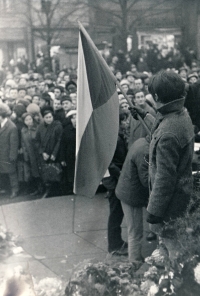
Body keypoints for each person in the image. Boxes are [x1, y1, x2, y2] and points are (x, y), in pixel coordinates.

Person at [144, 70, 194, 234]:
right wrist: (145, 115)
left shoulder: (168, 134)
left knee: (171, 252)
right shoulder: (181, 114)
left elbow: (165, 177)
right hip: (181, 198)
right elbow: (165, 122)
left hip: (169, 208)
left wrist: (154, 211)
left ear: (157, 97)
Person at [116, 136, 149, 266]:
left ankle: (136, 259)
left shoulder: (140, 142)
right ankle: (134, 263)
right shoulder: (145, 151)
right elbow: (146, 180)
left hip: (126, 191)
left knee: (134, 231)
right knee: (135, 232)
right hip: (131, 196)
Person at [35, 106, 63, 198]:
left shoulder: (57, 126)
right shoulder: (40, 127)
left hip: (55, 153)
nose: (48, 119)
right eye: (46, 117)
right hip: (44, 154)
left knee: (56, 171)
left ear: (53, 117)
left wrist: (54, 153)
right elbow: (37, 141)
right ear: (43, 118)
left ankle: (57, 190)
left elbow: (59, 140)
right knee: (46, 172)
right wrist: (42, 152)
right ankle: (48, 190)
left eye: (50, 117)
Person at [0, 103, 19, 198]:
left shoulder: (12, 127)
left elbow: (14, 144)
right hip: (1, 154)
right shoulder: (2, 124)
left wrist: (13, 156)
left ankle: (15, 190)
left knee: (12, 173)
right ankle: (4, 188)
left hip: (8, 155)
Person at [21, 113, 41, 195]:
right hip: (30, 155)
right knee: (33, 172)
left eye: (30, 119)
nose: (29, 121)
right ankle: (37, 188)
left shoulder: (37, 128)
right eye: (26, 120)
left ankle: (42, 187)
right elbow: (23, 144)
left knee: (39, 170)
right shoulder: (23, 130)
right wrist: (26, 155)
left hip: (37, 154)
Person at [60, 110, 76, 195]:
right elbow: (62, 144)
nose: (75, 120)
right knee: (71, 172)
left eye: (77, 117)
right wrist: (62, 158)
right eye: (73, 118)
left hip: (81, 155)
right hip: (69, 155)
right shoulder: (66, 130)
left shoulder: (83, 129)